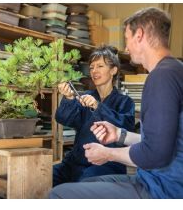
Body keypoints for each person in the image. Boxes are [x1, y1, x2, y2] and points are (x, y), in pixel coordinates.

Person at [49, 7, 183, 199]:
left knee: (59, 195)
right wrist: (118, 134)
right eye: (92, 67)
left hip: (161, 189)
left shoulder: (160, 77)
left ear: (140, 35)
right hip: (150, 179)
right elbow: (157, 142)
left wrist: (107, 154)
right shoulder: (174, 71)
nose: (126, 48)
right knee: (65, 180)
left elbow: (156, 153)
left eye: (127, 38)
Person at [53, 45, 135, 187]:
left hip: (107, 164)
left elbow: (125, 127)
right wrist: (68, 98)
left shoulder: (125, 101)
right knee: (44, 177)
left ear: (113, 70)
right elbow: (63, 119)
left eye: (100, 66)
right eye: (91, 67)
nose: (94, 71)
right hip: (75, 162)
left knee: (83, 185)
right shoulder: (86, 96)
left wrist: (98, 107)